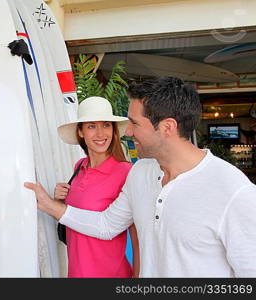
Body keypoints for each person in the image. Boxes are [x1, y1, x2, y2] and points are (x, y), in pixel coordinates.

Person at [25, 76, 256, 277]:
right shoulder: (140, 173)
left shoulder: (234, 193)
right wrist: (49, 205)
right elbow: (107, 225)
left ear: (167, 127)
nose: (127, 132)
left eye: (134, 123)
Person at [54, 96, 139, 278]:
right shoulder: (79, 167)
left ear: (114, 131)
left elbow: (137, 231)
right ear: (81, 132)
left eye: (106, 125)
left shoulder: (126, 172)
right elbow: (73, 215)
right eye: (92, 126)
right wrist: (59, 200)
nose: (100, 134)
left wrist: (138, 277)